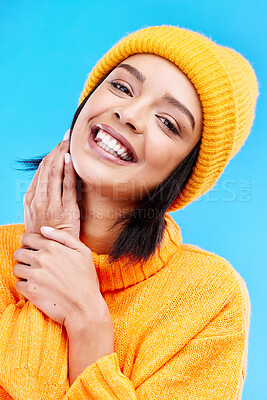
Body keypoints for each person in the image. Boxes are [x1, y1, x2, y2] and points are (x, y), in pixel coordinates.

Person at [0, 25, 258, 399]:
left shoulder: (209, 298)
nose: (130, 114)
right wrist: (50, 250)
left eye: (168, 123)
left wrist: (87, 320)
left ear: (185, 173)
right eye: (121, 87)